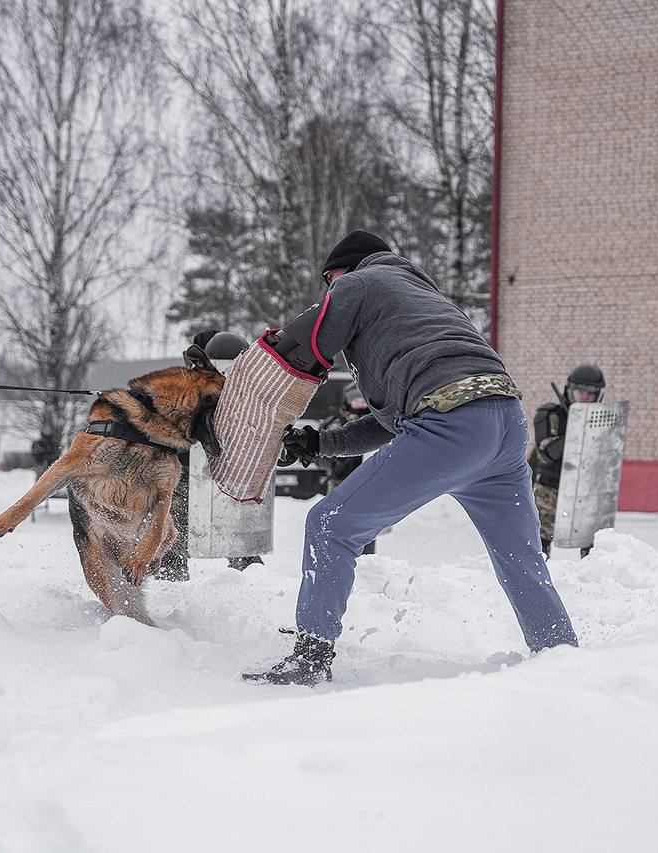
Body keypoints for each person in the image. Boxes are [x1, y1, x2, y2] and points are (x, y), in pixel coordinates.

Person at [243, 230, 578, 686]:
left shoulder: (361, 282)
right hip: (502, 421)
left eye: (330, 280)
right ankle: (563, 659)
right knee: (522, 560)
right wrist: (323, 443)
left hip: (453, 425)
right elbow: (394, 421)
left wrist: (259, 369)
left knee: (329, 524)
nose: (330, 290)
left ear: (347, 268)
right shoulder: (422, 301)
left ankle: (309, 659)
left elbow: (312, 339)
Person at [158, 330, 265, 581]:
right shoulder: (188, 385)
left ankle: (251, 578)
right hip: (187, 472)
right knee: (175, 531)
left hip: (229, 474)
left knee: (241, 539)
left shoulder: (248, 391)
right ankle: (172, 576)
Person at [529, 364, 606, 559]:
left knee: (594, 544)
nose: (585, 398)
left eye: (591, 394)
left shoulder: (600, 421)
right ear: (569, 391)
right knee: (540, 542)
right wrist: (576, 430)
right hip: (550, 490)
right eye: (580, 392)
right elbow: (547, 451)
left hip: (585, 491)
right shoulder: (551, 414)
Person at [319, 383, 377, 554]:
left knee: (367, 527)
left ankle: (367, 562)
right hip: (341, 483)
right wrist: (335, 463)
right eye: (356, 401)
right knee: (338, 525)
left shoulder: (375, 423)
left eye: (361, 401)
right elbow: (320, 453)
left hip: (368, 484)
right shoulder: (338, 422)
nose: (358, 405)